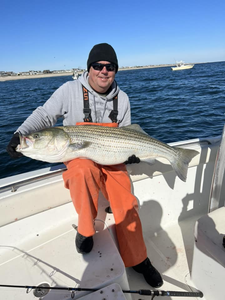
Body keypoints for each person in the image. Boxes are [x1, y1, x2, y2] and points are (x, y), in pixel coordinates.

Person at [7, 43, 163, 288]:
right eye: (97, 66)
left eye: (109, 67)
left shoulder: (122, 99)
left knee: (125, 198)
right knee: (81, 170)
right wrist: (22, 134)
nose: (103, 71)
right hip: (80, 155)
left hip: (112, 156)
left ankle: (138, 258)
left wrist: (132, 154)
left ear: (115, 70)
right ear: (88, 68)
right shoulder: (69, 90)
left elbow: (127, 134)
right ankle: (86, 231)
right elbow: (45, 115)